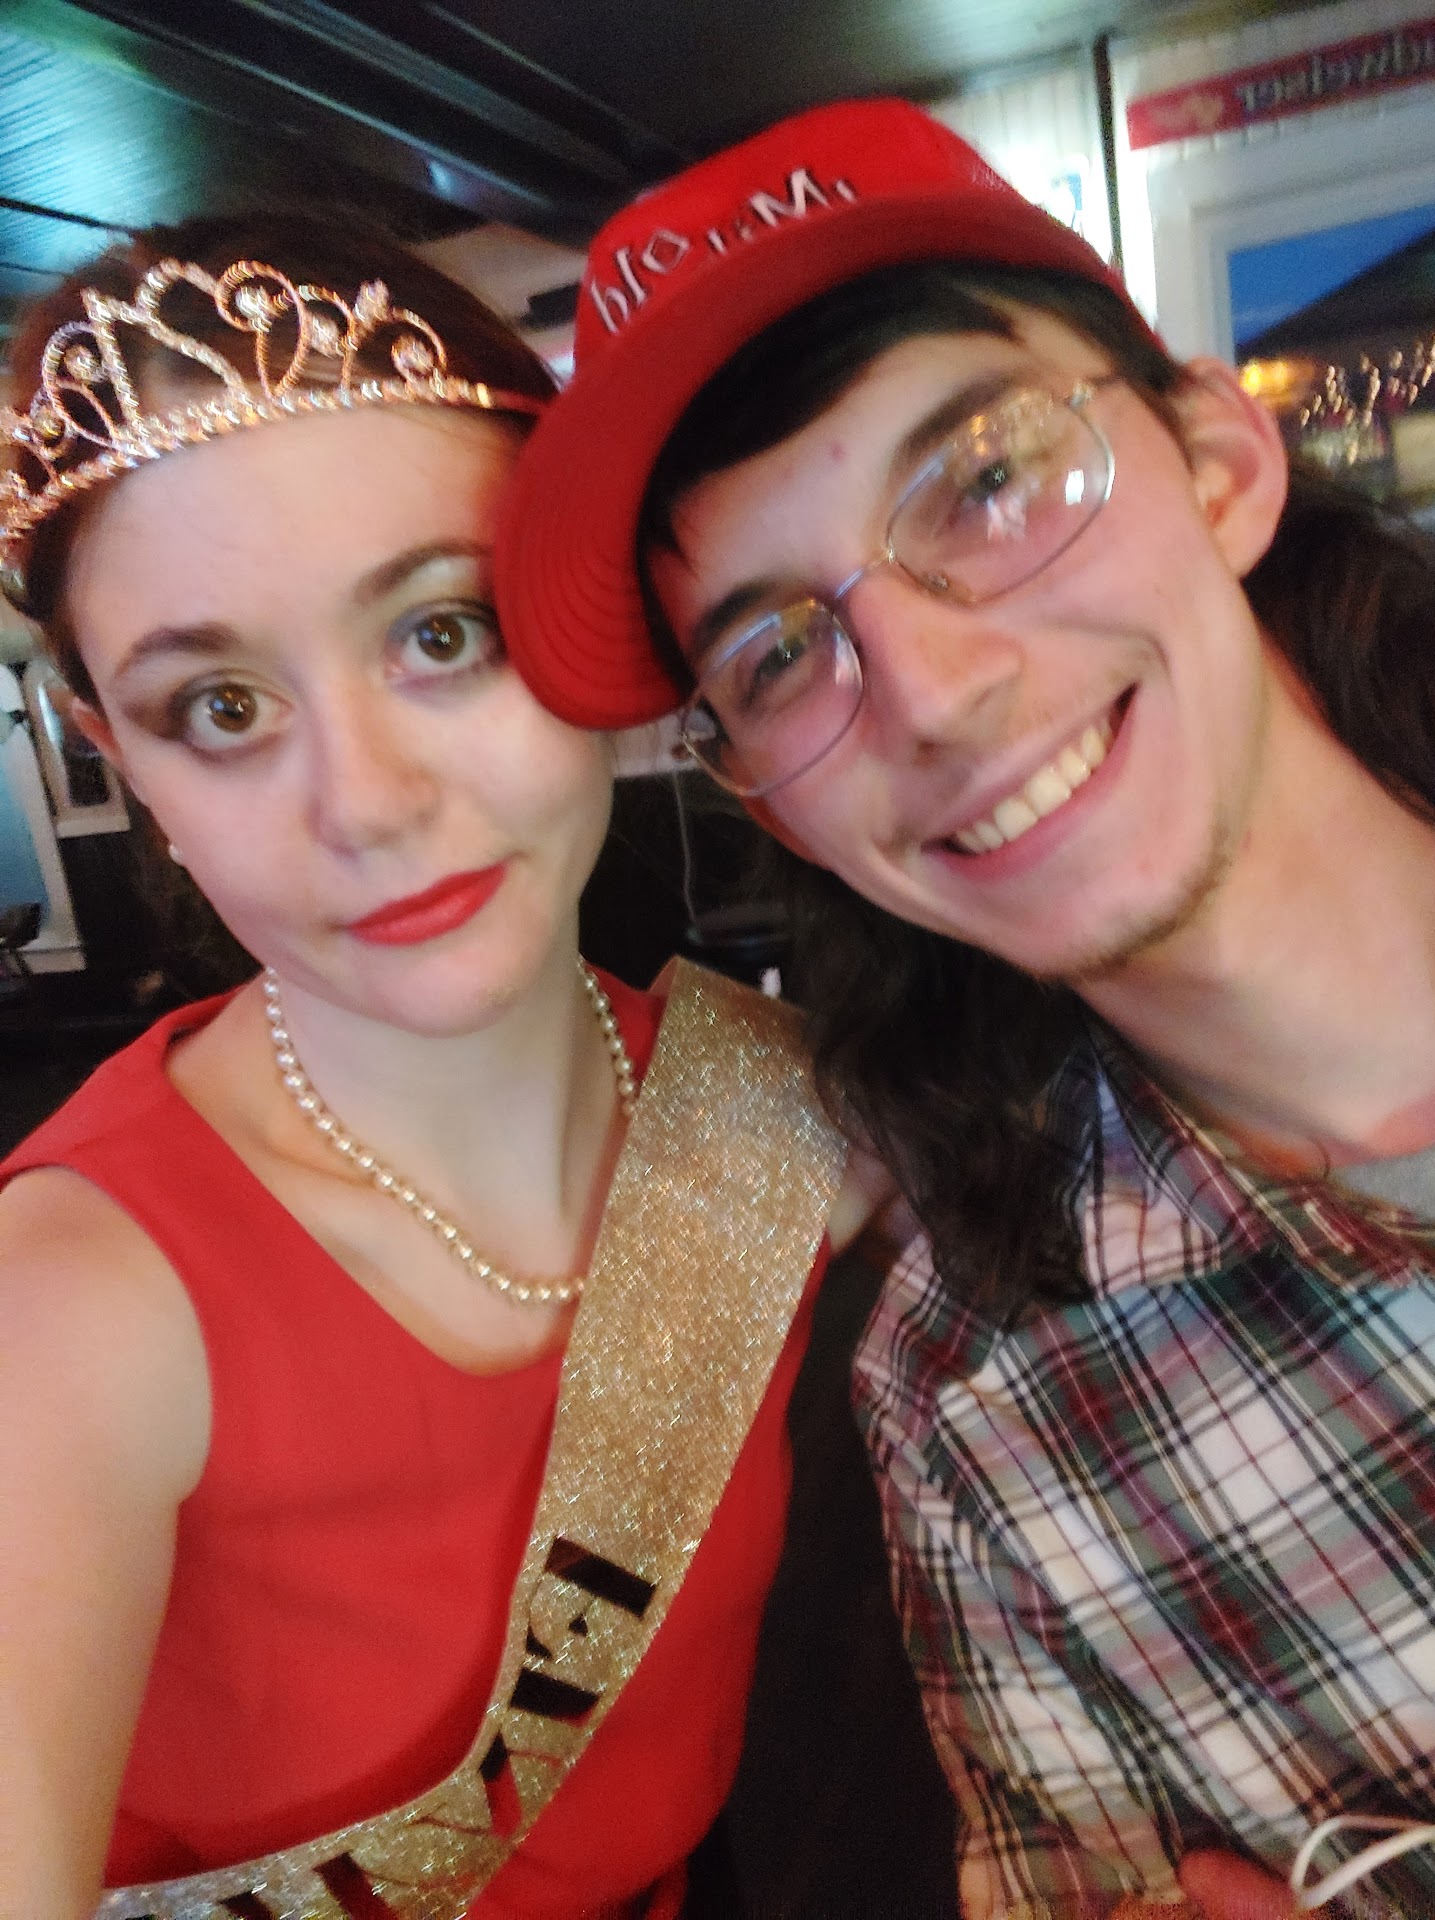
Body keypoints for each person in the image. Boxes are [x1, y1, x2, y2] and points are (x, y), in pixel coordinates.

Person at [492, 98, 1435, 1919]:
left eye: (986, 483)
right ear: (784, 817)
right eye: (779, 654)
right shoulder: (986, 1421)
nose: (929, 693)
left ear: (1220, 465)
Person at [0, 211, 881, 1920]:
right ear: (122, 761)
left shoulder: (800, 1122)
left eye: (441, 631)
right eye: (222, 710)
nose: (370, 803)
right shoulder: (74, 1313)